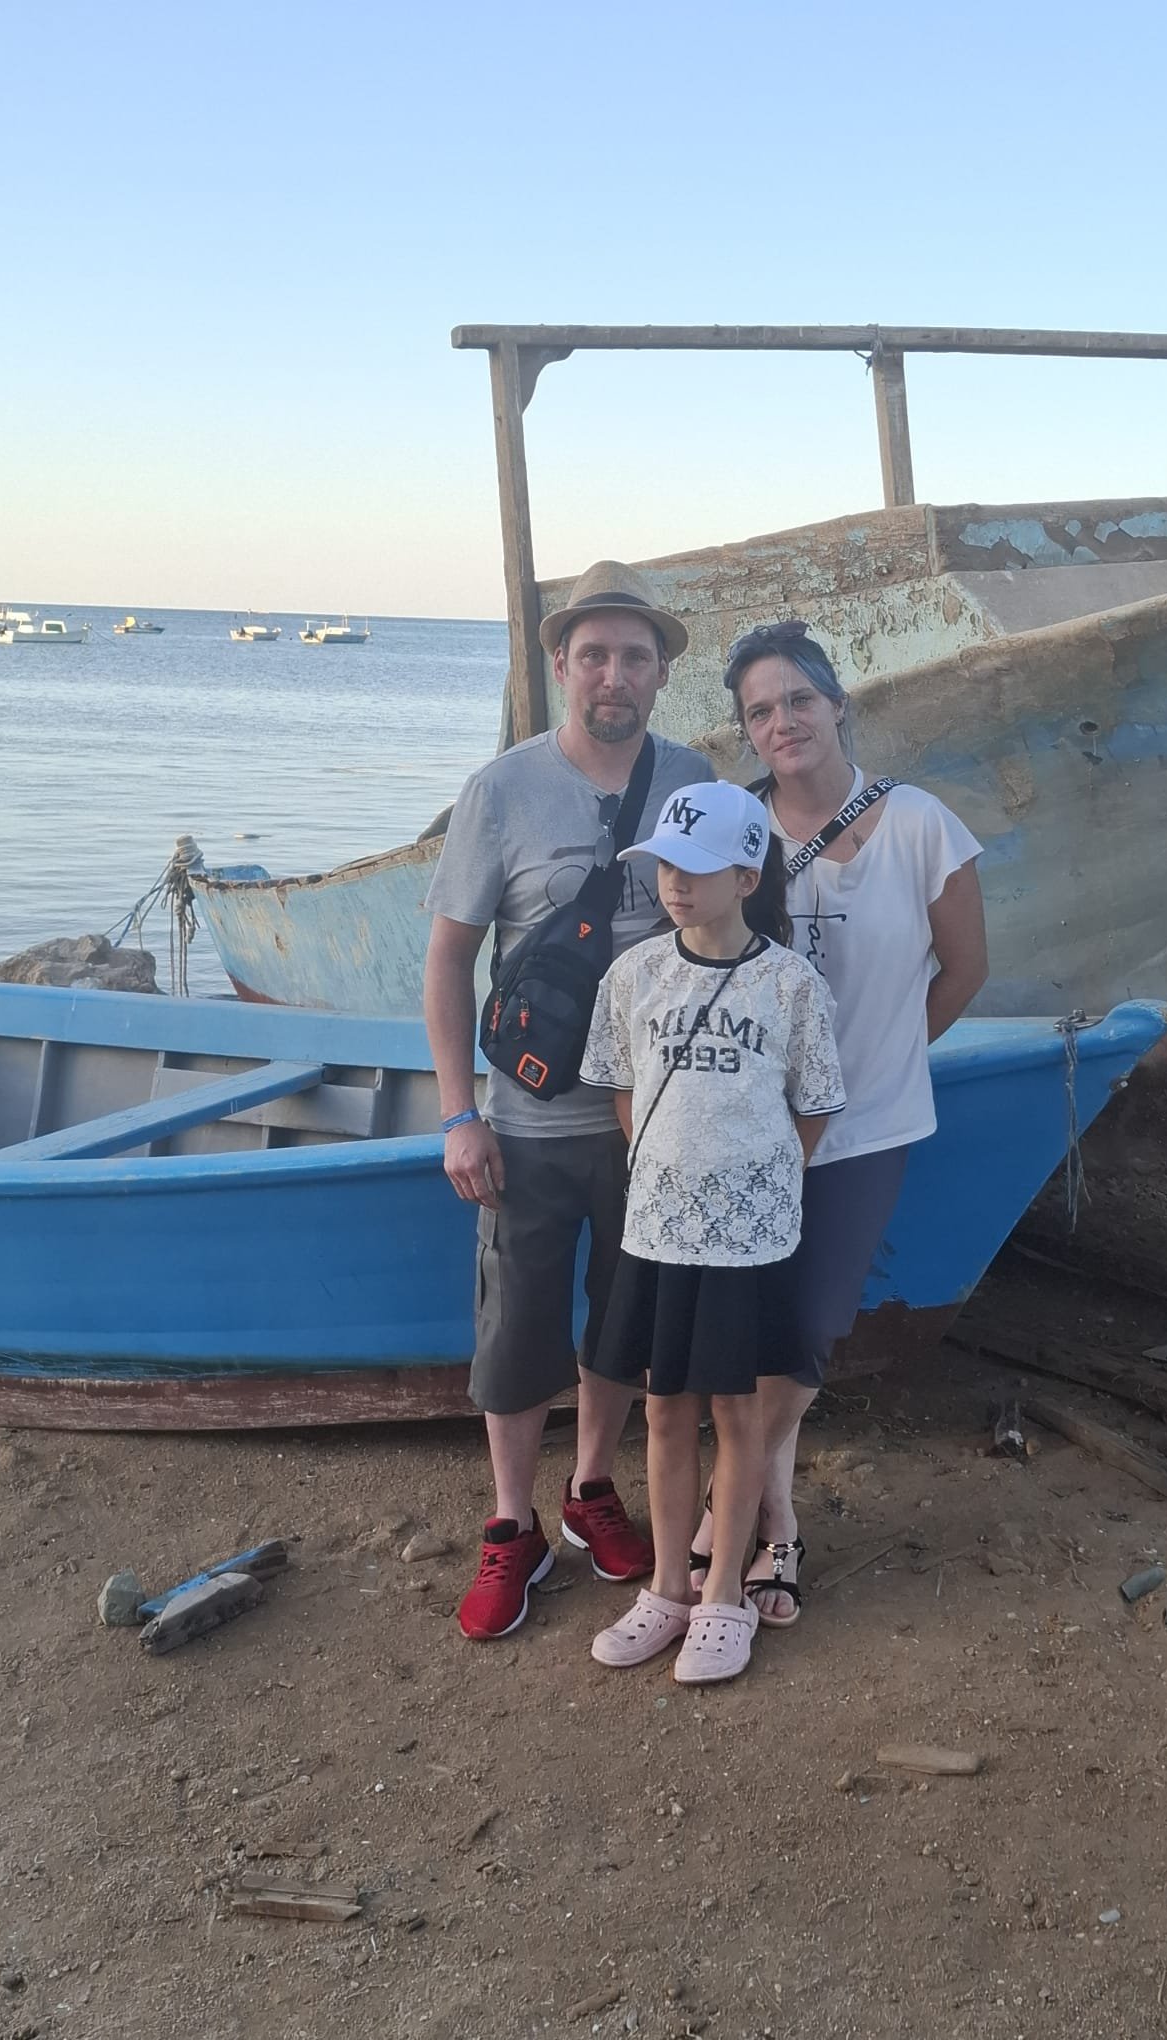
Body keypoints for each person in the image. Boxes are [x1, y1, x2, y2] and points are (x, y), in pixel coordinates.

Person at [423, 561, 716, 1641]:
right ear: (560, 666)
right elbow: (447, 962)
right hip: (531, 1122)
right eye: (594, 654)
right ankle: (513, 1524)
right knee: (516, 1331)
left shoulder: (691, 780)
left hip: (654, 1124)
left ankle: (592, 1490)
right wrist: (460, 1115)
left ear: (661, 673)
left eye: (635, 656)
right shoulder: (501, 791)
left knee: (623, 1320)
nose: (613, 675)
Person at [688, 620, 988, 1625]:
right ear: (747, 730)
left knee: (812, 1327)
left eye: (799, 700)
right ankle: (774, 1527)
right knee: (760, 1331)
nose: (782, 722)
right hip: (750, 1125)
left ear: (838, 705)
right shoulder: (737, 833)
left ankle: (723, 1511)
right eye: (759, 711)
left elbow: (966, 968)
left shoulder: (920, 825)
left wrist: (890, 1051)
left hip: (867, 1126)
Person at [577, 781, 845, 1683]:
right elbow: (623, 1087)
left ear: (746, 875)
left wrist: (755, 1182)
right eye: (664, 866)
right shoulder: (634, 975)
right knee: (663, 1408)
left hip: (749, 1242)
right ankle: (667, 1588)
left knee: (739, 1411)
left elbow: (814, 1105)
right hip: (658, 1232)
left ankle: (724, 1590)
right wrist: (669, 1173)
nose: (675, 884)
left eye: (696, 868)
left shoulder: (790, 984)